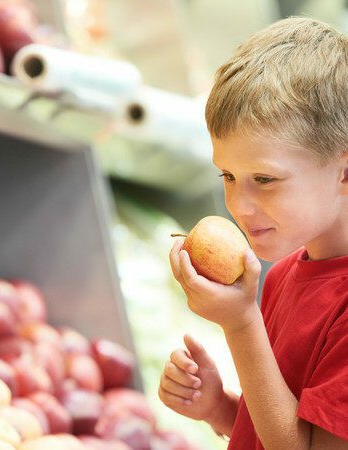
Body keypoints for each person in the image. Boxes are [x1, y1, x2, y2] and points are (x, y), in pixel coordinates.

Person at [159, 17, 348, 449]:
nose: (238, 206)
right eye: (227, 174)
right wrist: (219, 408)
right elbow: (278, 428)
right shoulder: (283, 275)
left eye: (264, 179)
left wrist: (240, 324)